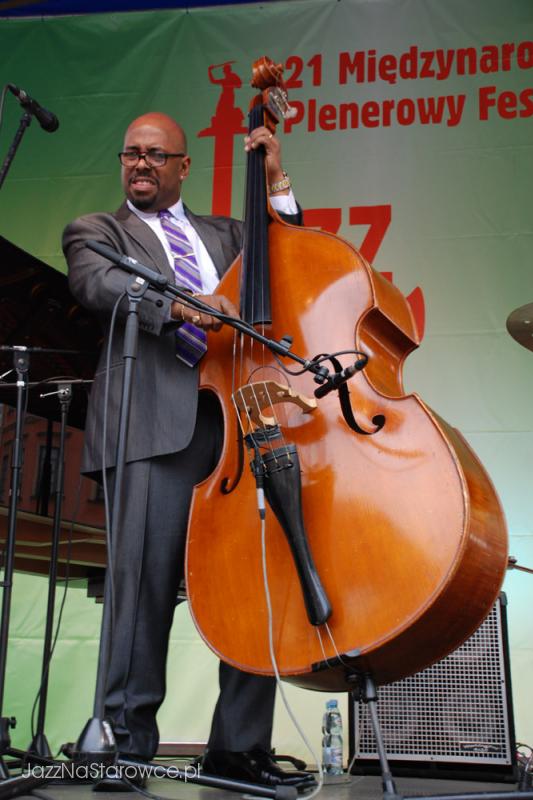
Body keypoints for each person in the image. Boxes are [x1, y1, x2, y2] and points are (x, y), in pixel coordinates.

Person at [63, 112, 314, 791]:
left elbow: (290, 255)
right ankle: (124, 744)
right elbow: (98, 286)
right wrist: (178, 306)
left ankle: (238, 748)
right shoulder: (98, 231)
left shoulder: (228, 234)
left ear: (183, 166)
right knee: (142, 591)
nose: (140, 164)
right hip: (152, 427)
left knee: (254, 585)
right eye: (131, 154)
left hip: (235, 428)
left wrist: (274, 183)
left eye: (155, 155)